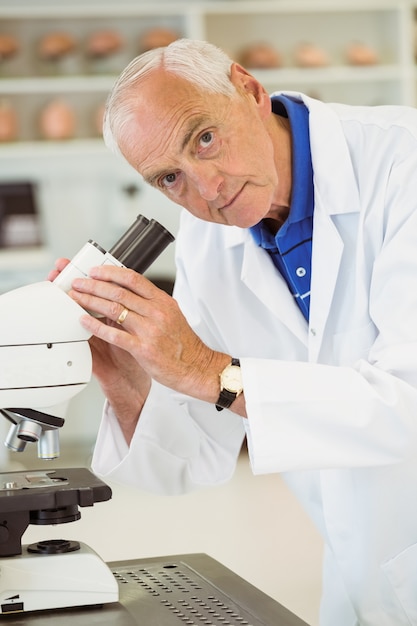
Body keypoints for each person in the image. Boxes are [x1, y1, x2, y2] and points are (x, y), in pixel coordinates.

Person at [49, 38, 417, 626]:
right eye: (170, 177)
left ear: (247, 90)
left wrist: (203, 367)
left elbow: (407, 404)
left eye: (204, 137)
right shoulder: (208, 234)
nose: (207, 187)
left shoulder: (404, 164)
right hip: (360, 579)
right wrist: (123, 377)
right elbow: (194, 454)